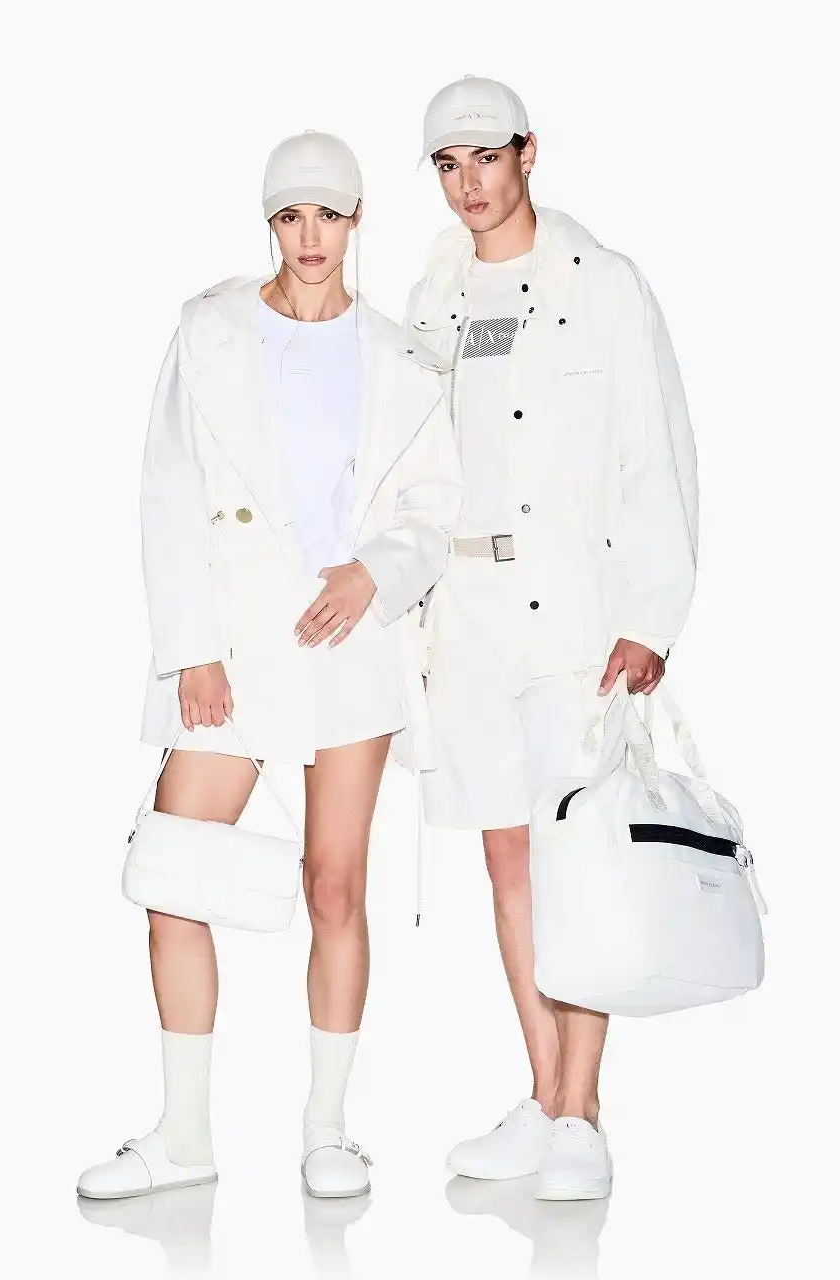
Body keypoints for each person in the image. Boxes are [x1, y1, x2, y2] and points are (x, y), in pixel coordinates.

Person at [77, 130, 462, 1202]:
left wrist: (374, 573)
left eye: (327, 215)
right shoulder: (210, 332)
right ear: (270, 223)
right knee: (170, 876)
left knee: (335, 885)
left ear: (355, 220)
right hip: (235, 649)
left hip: (348, 643)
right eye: (291, 216)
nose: (309, 236)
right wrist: (193, 650)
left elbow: (433, 510)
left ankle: (327, 1131)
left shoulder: (400, 359)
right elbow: (165, 492)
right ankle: (183, 1133)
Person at [407, 77, 698, 1199]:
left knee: (578, 859)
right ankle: (542, 1098)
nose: (467, 184)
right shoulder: (436, 294)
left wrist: (650, 615)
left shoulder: (603, 284)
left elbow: (654, 450)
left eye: (485, 157)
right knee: (508, 862)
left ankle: (582, 1114)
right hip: (468, 616)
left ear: (528, 152)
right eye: (447, 165)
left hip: (573, 614)